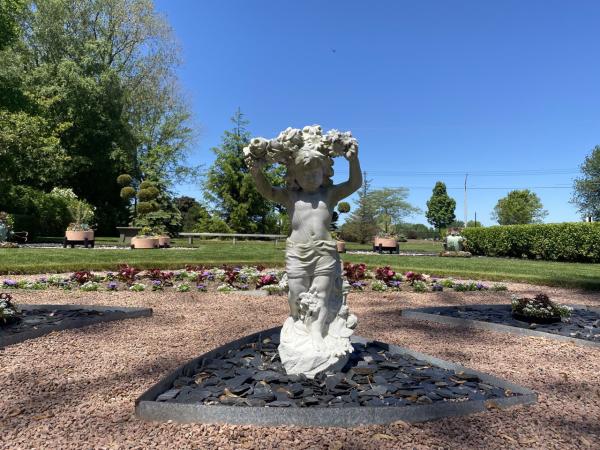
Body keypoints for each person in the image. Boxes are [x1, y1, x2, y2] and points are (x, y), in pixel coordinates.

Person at [247, 126, 362, 351]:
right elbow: (266, 190)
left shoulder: (329, 195)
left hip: (324, 252)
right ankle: (299, 325)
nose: (310, 178)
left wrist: (353, 161)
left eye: (315, 173)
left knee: (321, 293)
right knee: (296, 293)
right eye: (304, 174)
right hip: (297, 251)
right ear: (294, 176)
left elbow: (354, 183)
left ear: (324, 173)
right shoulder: (291, 196)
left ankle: (318, 332)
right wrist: (256, 170)